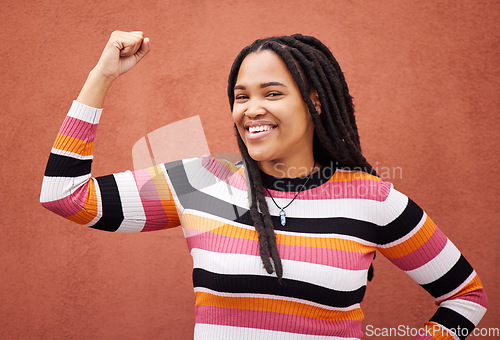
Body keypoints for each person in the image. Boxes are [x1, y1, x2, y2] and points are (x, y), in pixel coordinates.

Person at [40, 31, 487, 339]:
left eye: (272, 93)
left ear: (314, 101)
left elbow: (466, 297)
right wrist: (102, 77)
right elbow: (64, 196)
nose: (251, 109)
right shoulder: (201, 181)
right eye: (241, 96)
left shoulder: (373, 199)